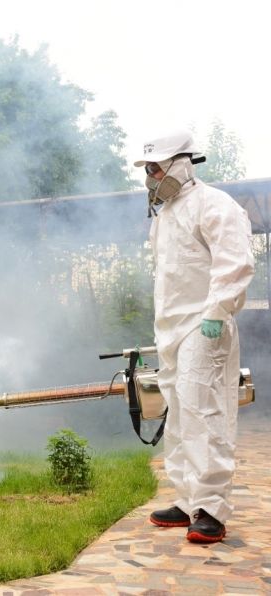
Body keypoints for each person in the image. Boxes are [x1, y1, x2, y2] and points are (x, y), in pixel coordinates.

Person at [133, 130, 255, 543]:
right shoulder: (165, 215)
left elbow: (234, 262)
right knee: (180, 414)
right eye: (148, 169)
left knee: (205, 411)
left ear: (182, 163)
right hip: (172, 330)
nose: (151, 176)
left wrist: (218, 311)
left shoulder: (215, 204)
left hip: (206, 325)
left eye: (156, 167)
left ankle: (212, 509)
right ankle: (187, 501)